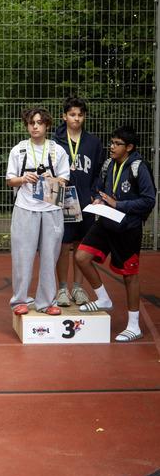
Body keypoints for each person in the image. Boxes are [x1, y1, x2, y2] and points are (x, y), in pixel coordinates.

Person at [75, 125, 156, 342]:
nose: (111, 147)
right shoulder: (109, 164)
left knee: (130, 275)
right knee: (81, 257)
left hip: (128, 228)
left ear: (129, 147)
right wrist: (98, 199)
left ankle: (134, 326)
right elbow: (99, 187)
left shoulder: (139, 167)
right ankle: (103, 299)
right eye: (111, 142)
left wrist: (118, 204)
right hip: (105, 222)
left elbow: (149, 200)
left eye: (117, 144)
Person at [6, 107, 70, 315]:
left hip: (51, 208)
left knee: (50, 256)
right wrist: (23, 178)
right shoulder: (18, 150)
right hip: (25, 207)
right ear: (27, 125)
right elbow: (10, 180)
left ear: (47, 125)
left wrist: (51, 179)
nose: (35, 126)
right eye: (31, 123)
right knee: (22, 256)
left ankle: (47, 302)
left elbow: (64, 179)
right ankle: (20, 300)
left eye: (39, 123)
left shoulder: (57, 150)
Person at [53, 96, 103, 306]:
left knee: (81, 246)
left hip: (85, 202)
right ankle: (62, 288)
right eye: (72, 114)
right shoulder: (55, 141)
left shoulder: (93, 143)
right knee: (63, 245)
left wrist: (95, 193)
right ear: (64, 116)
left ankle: (78, 287)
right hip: (62, 199)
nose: (76, 118)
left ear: (85, 117)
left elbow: (99, 172)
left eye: (80, 115)